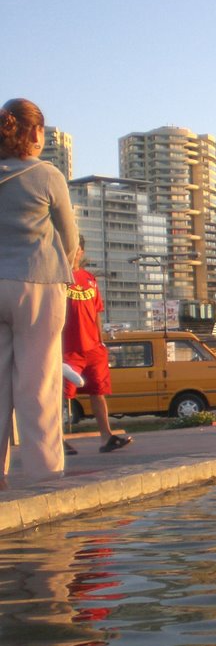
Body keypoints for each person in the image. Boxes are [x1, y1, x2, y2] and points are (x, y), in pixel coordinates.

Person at [1, 98, 78, 484]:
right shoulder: (47, 175)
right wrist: (64, 266)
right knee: (39, 382)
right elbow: (69, 237)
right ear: (34, 133)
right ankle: (43, 475)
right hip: (38, 284)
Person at [63, 237, 133, 454]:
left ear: (81, 252)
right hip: (67, 349)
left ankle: (106, 437)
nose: (73, 252)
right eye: (69, 248)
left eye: (77, 249)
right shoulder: (57, 278)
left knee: (98, 392)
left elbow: (96, 313)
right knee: (62, 396)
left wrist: (101, 341)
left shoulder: (90, 280)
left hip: (93, 348)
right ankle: (57, 440)